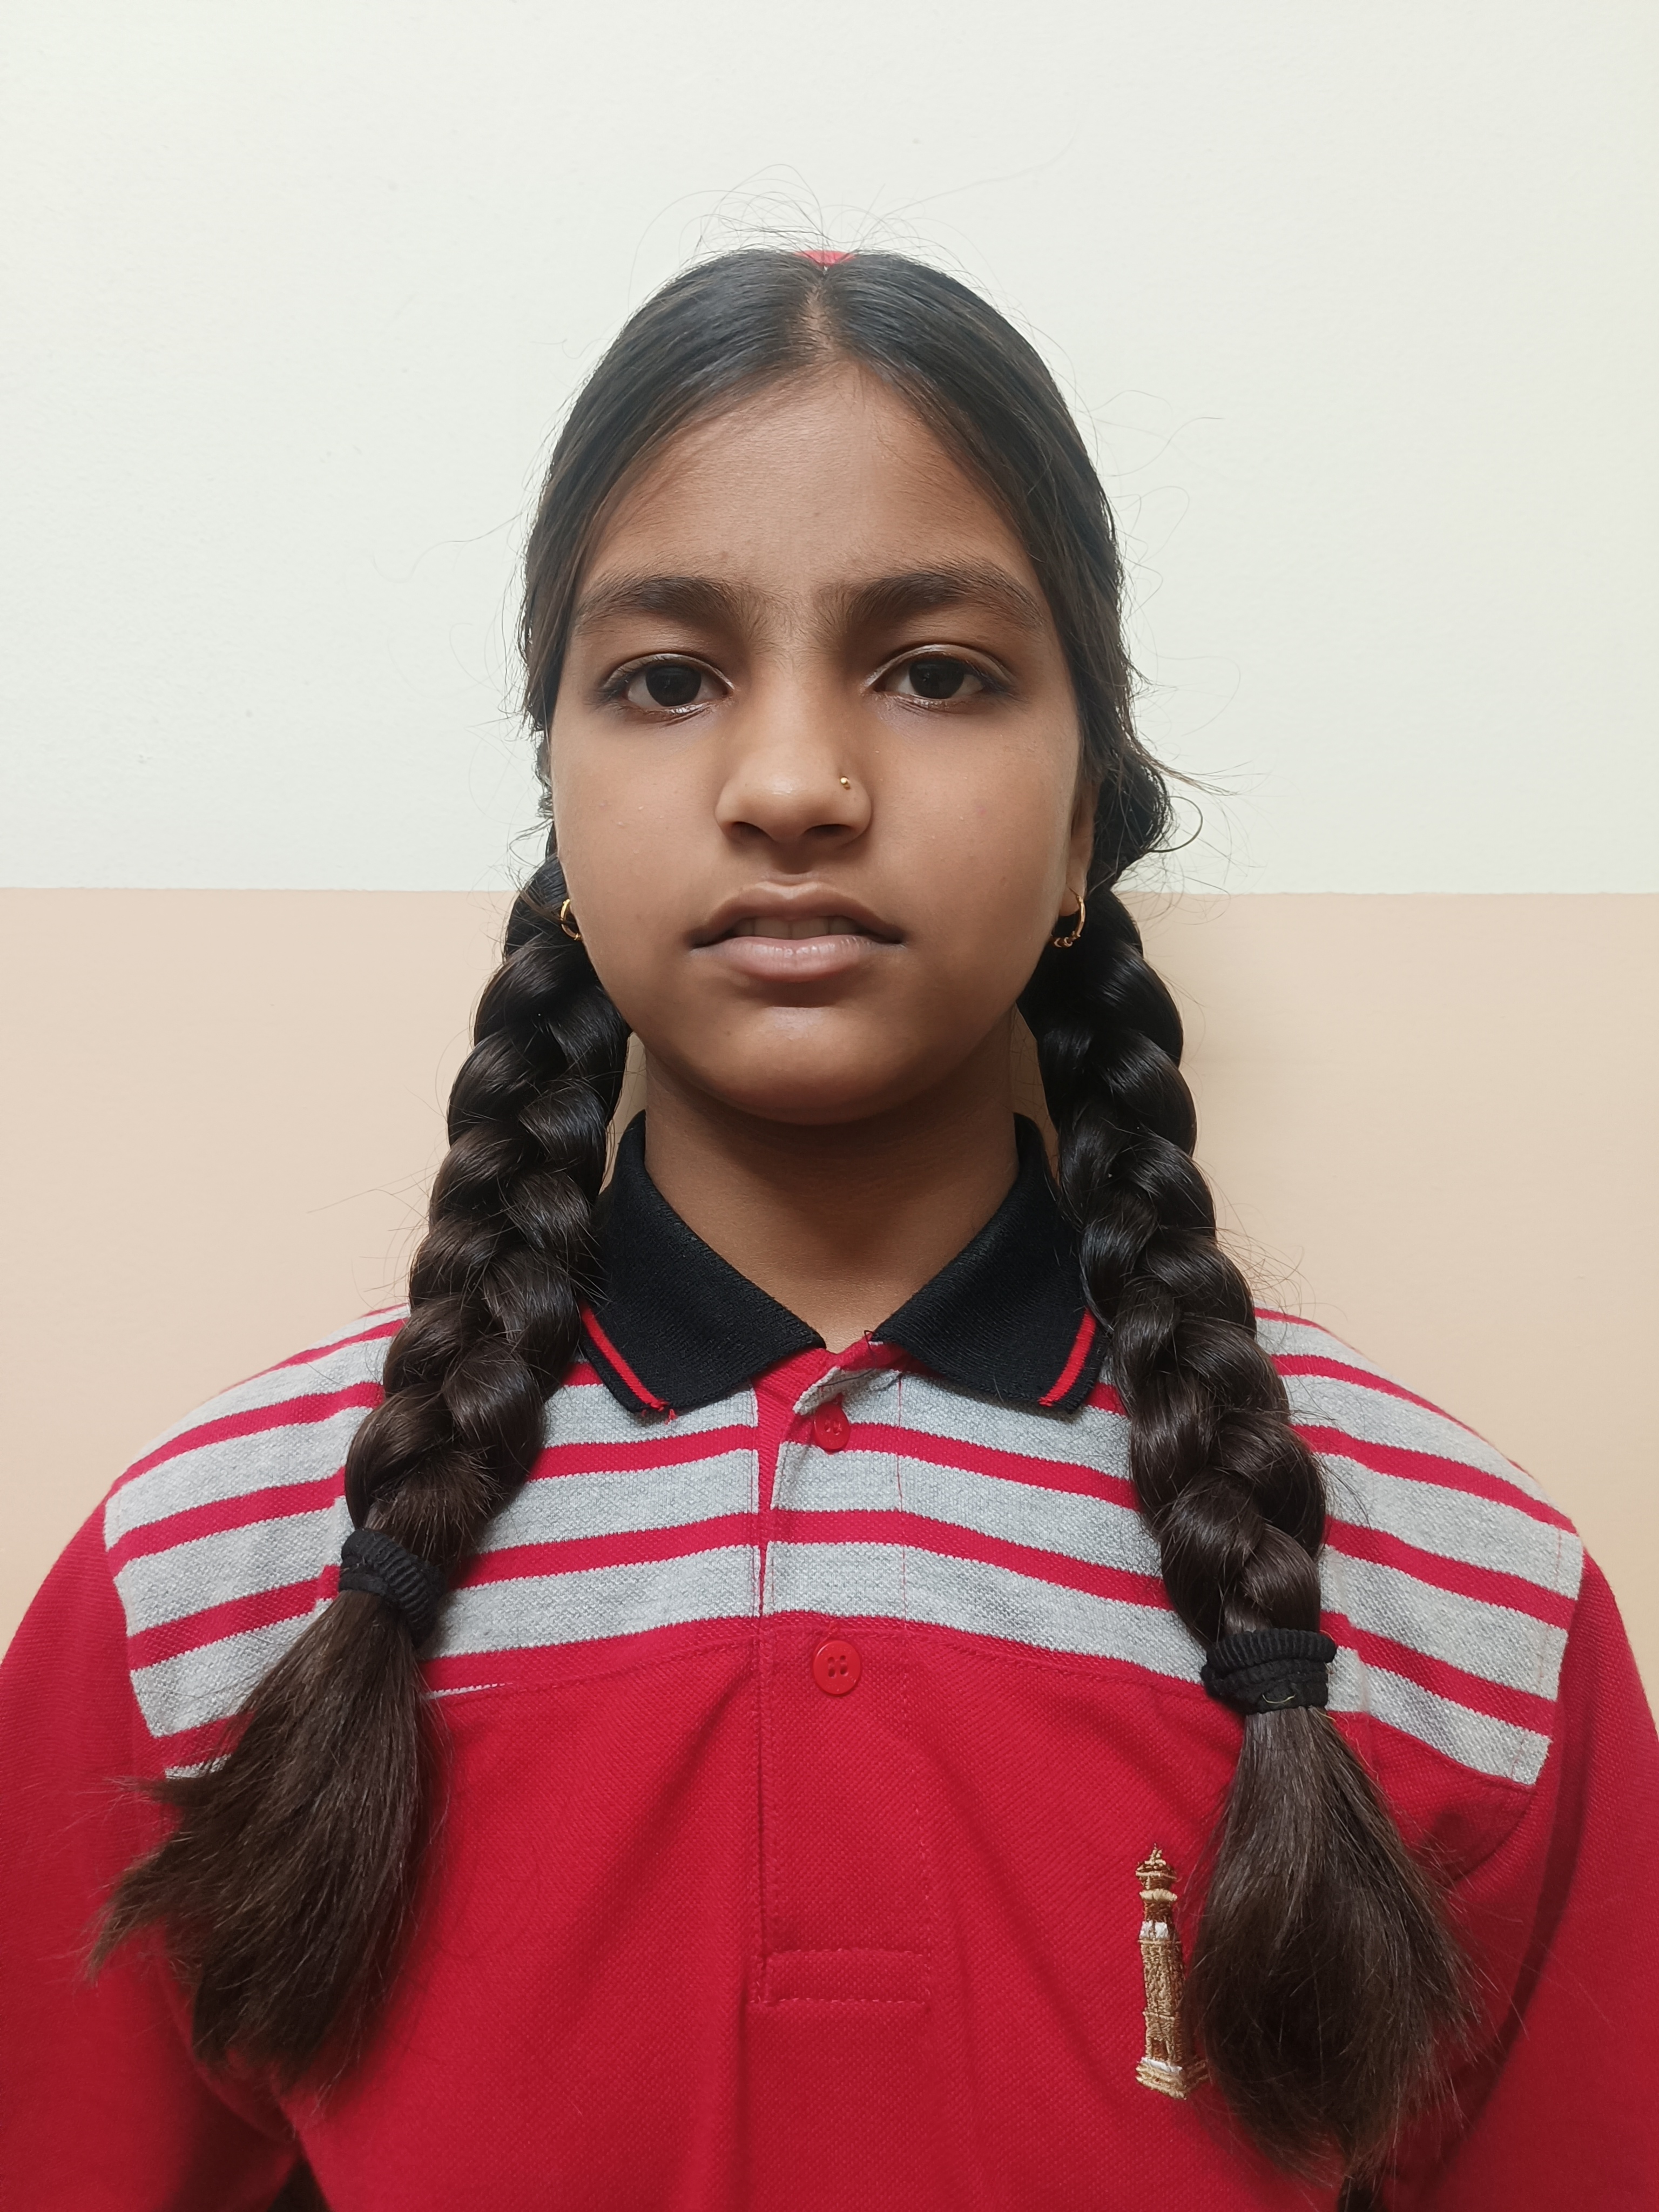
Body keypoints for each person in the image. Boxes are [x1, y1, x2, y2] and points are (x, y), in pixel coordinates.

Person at [2, 248, 1654, 2212]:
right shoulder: (205, 1586)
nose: (793, 784)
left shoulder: (1469, 1606)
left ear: (1085, 819)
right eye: (667, 680)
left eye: (936, 672)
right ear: (557, 798)